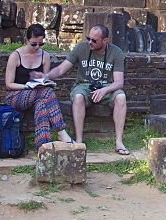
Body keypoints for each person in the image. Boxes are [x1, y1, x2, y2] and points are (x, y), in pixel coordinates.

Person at [43, 24, 128, 154]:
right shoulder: (81, 48)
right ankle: (79, 141)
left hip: (105, 87)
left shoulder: (116, 52)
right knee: (78, 97)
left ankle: (119, 142)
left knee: (121, 97)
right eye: (89, 38)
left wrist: (104, 90)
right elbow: (61, 69)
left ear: (105, 41)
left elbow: (119, 82)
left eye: (94, 40)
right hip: (84, 86)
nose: (90, 42)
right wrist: (46, 76)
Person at [4, 23, 72, 147]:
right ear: (27, 40)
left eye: (40, 44)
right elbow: (9, 84)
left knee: (42, 104)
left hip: (37, 96)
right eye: (34, 44)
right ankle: (61, 131)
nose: (37, 47)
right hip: (16, 95)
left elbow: (44, 81)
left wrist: (44, 81)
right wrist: (27, 86)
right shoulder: (16, 56)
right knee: (46, 93)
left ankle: (43, 144)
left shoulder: (44, 56)